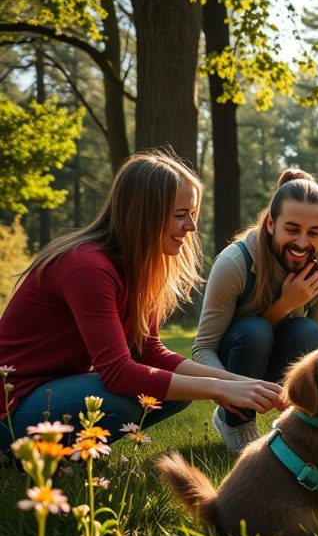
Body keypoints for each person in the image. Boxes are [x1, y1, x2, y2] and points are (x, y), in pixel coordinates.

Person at [0, 151, 285, 450]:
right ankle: (31, 457)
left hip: (48, 395)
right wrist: (218, 389)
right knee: (118, 399)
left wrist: (234, 383)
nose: (191, 227)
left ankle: (68, 456)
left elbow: (149, 352)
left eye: (193, 213)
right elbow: (118, 372)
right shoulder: (87, 267)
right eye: (180, 215)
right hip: (12, 407)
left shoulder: (137, 268)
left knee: (175, 392)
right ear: (145, 216)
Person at [193, 169, 318, 454]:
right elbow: (202, 349)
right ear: (271, 223)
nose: (301, 243)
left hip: (282, 357)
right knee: (254, 331)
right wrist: (232, 390)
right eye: (292, 229)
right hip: (235, 357)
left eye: (314, 232)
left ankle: (296, 424)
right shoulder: (235, 262)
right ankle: (235, 422)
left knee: (307, 332)